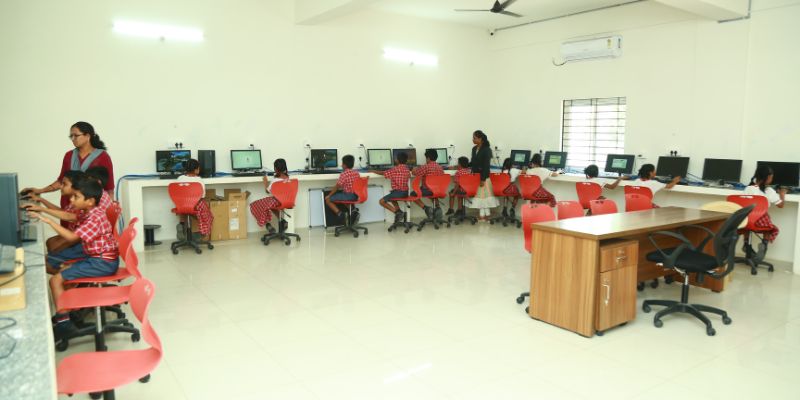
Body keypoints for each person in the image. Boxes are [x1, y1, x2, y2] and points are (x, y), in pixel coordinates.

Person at [27, 178, 119, 339]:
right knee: (63, 272)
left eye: (76, 197)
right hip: (99, 258)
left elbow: (71, 237)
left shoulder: (94, 218)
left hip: (102, 262)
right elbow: (69, 217)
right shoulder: (90, 212)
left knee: (55, 280)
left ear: (90, 201)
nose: (71, 199)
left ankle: (64, 324)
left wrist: (47, 220)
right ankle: (71, 313)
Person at [22, 122, 115, 218]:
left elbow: (109, 189)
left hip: (89, 206)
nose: (73, 139)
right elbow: (61, 181)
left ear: (87, 136)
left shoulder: (102, 156)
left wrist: (110, 215)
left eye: (76, 135)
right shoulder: (69, 155)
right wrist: (40, 191)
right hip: (69, 203)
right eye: (71, 136)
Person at [23, 171, 85, 254]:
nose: (61, 187)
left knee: (52, 247)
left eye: (64, 184)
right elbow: (63, 212)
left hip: (79, 237)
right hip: (73, 232)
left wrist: (41, 209)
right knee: (49, 242)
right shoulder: (73, 200)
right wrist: (41, 200)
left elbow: (69, 216)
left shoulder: (82, 203)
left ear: (76, 187)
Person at [743, 165, 786, 242]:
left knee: (748, 220)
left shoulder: (748, 188)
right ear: (768, 177)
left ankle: (746, 242)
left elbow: (743, 203)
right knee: (770, 227)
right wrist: (782, 194)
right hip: (761, 223)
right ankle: (764, 243)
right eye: (772, 177)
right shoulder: (769, 191)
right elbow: (781, 205)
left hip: (746, 220)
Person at [250, 159, 292, 233]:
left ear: (275, 169)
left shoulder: (275, 181)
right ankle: (283, 221)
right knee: (271, 206)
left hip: (277, 201)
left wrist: (265, 181)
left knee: (255, 205)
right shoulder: (288, 178)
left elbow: (267, 191)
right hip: (287, 201)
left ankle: (267, 225)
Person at [176, 159, 214, 238]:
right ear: (196, 170)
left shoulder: (180, 178)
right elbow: (202, 196)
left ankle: (181, 225)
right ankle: (202, 234)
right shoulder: (199, 180)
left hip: (182, 206)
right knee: (209, 216)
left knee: (183, 207)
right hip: (195, 206)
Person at [371, 152, 410, 223]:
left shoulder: (395, 169)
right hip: (405, 192)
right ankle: (399, 212)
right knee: (392, 194)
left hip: (399, 193)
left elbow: (383, 173)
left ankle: (397, 213)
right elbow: (409, 176)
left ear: (397, 160)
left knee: (381, 201)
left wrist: (373, 171)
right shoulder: (407, 169)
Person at [469, 130, 498, 221]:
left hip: (483, 177)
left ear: (480, 139)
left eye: (474, 138)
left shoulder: (487, 149)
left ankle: (484, 215)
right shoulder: (474, 149)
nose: (473, 140)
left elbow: (486, 165)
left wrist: (483, 179)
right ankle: (485, 215)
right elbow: (473, 162)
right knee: (481, 197)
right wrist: (463, 165)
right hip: (476, 176)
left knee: (484, 197)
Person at [325, 155, 360, 222]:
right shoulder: (356, 173)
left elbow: (337, 186)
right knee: (343, 195)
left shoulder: (344, 174)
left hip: (349, 196)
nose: (341, 165)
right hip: (356, 196)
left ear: (344, 165)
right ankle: (353, 211)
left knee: (328, 200)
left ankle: (341, 215)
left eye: (342, 164)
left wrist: (329, 195)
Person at [411, 149, 445, 218]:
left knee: (412, 194)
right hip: (438, 190)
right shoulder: (440, 168)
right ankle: (438, 208)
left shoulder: (426, 167)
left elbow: (415, 173)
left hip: (428, 190)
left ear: (428, 158)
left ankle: (426, 208)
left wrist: (414, 169)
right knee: (433, 194)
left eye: (426, 158)